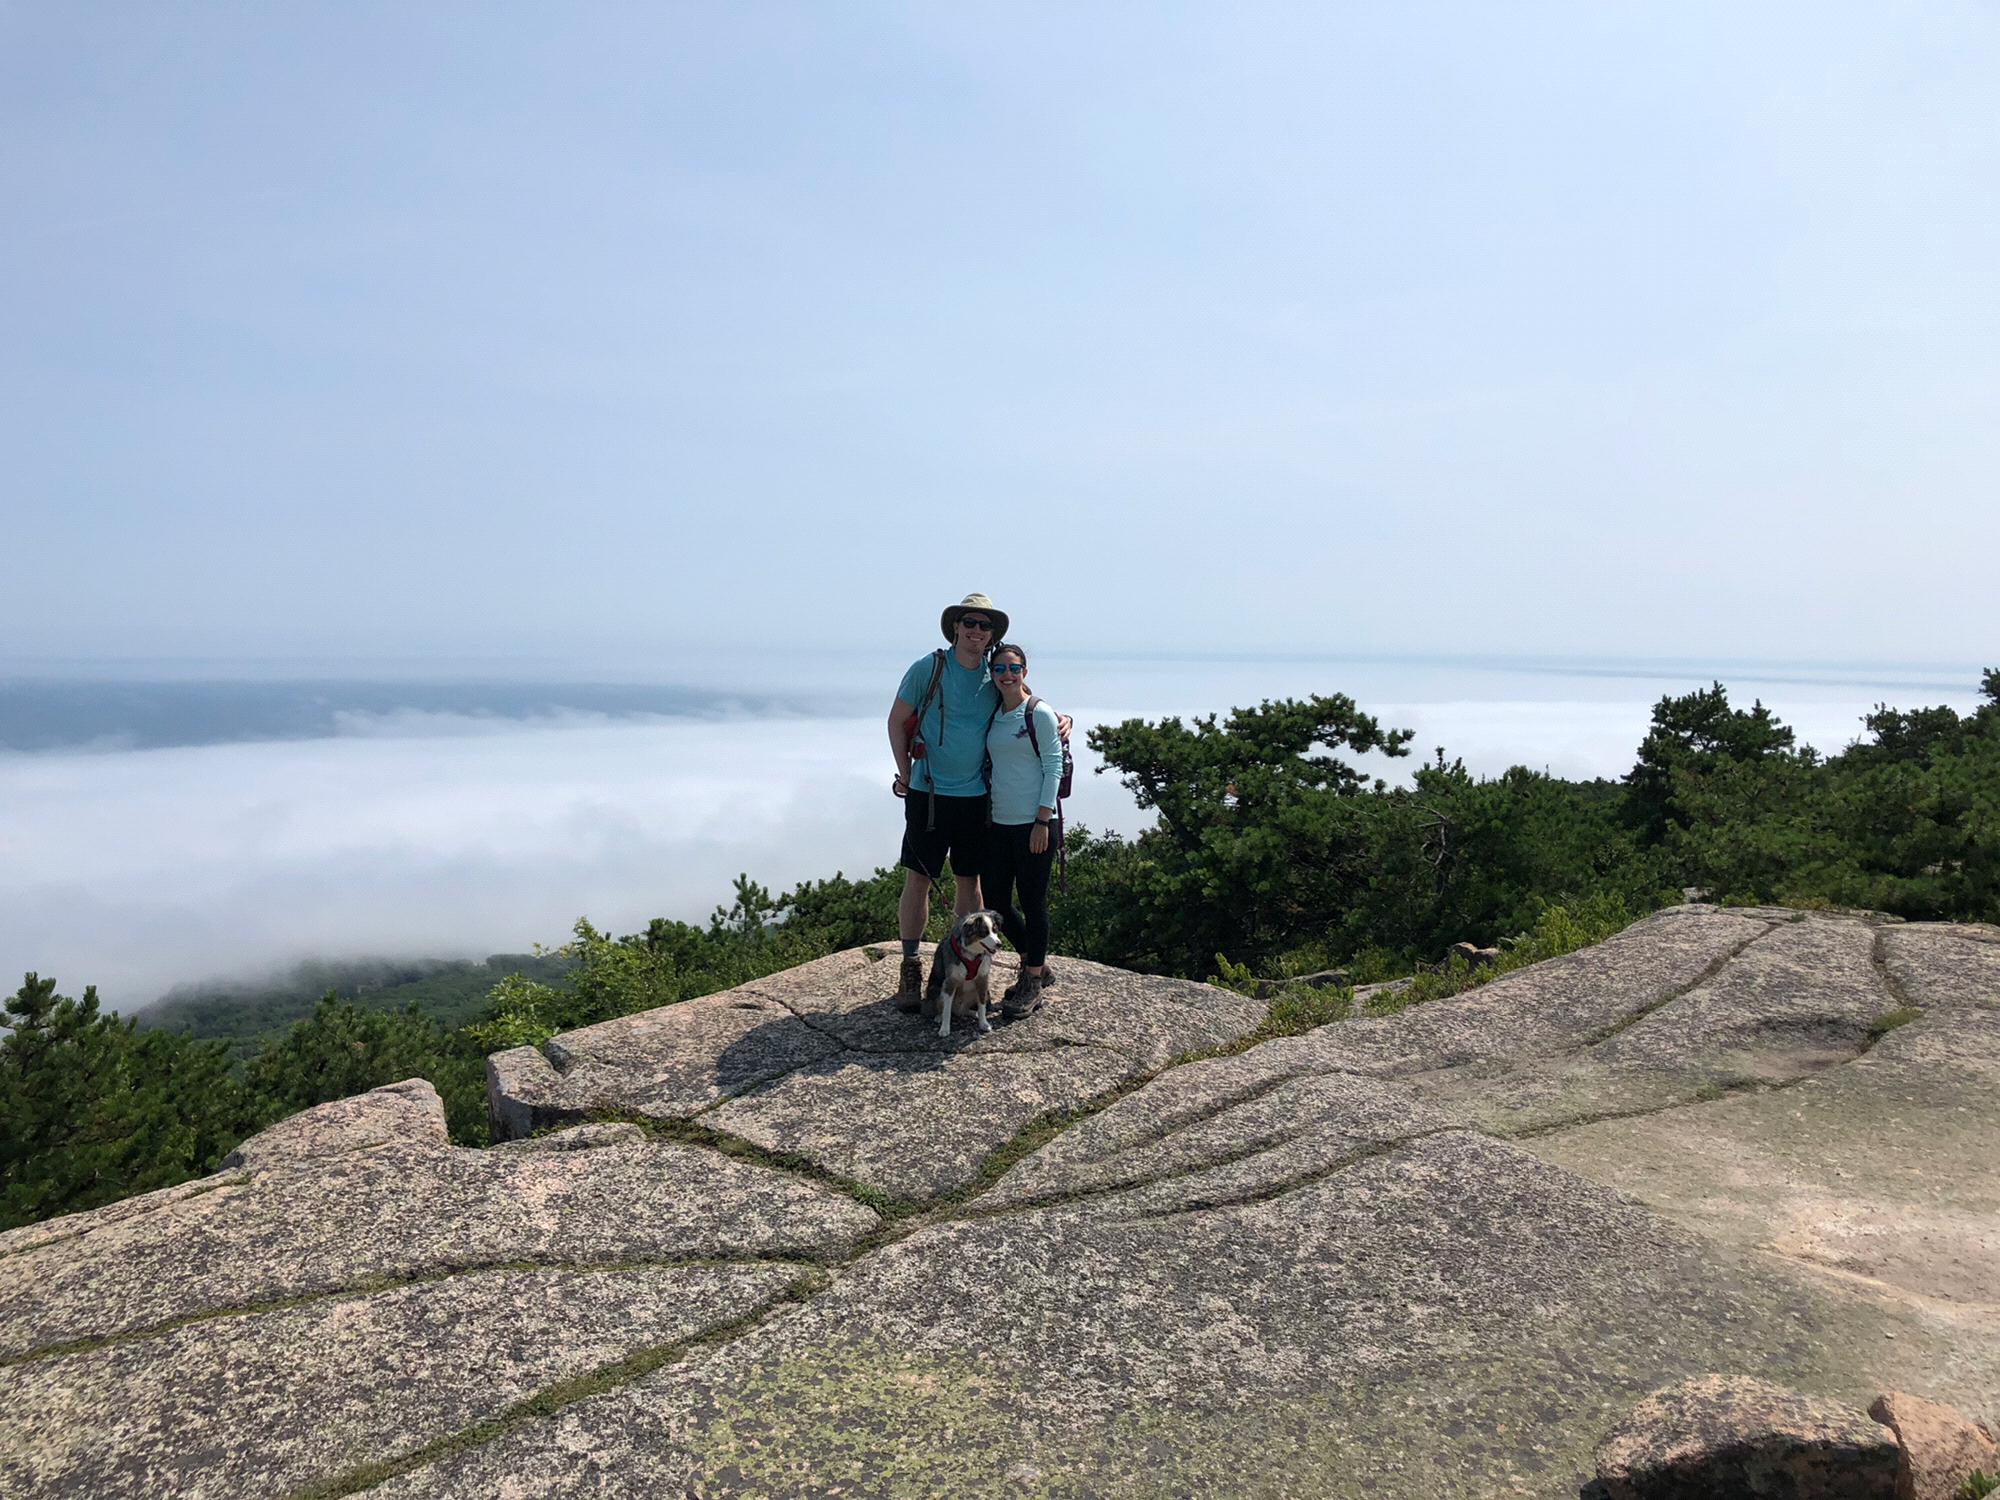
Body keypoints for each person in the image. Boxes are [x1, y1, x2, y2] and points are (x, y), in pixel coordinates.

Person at [888, 593, 1009, 1010]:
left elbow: (1024, 698)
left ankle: (967, 968)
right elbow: (896, 720)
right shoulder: (930, 667)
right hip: (929, 793)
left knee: (968, 882)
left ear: (992, 634)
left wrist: (1061, 720)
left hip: (975, 795)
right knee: (918, 879)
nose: (977, 631)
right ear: (956, 626)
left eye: (985, 626)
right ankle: (910, 967)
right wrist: (905, 772)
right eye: (970, 623)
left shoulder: (994, 674)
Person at [982, 642, 1064, 1019]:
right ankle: (1036, 962)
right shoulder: (994, 714)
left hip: (1035, 823)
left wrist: (1042, 821)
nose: (1007, 675)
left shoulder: (1039, 713)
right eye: (999, 669)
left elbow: (1053, 767)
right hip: (999, 823)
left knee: (1033, 901)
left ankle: (1031, 979)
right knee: (997, 901)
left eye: (1013, 668)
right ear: (992, 674)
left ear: (1025, 672)